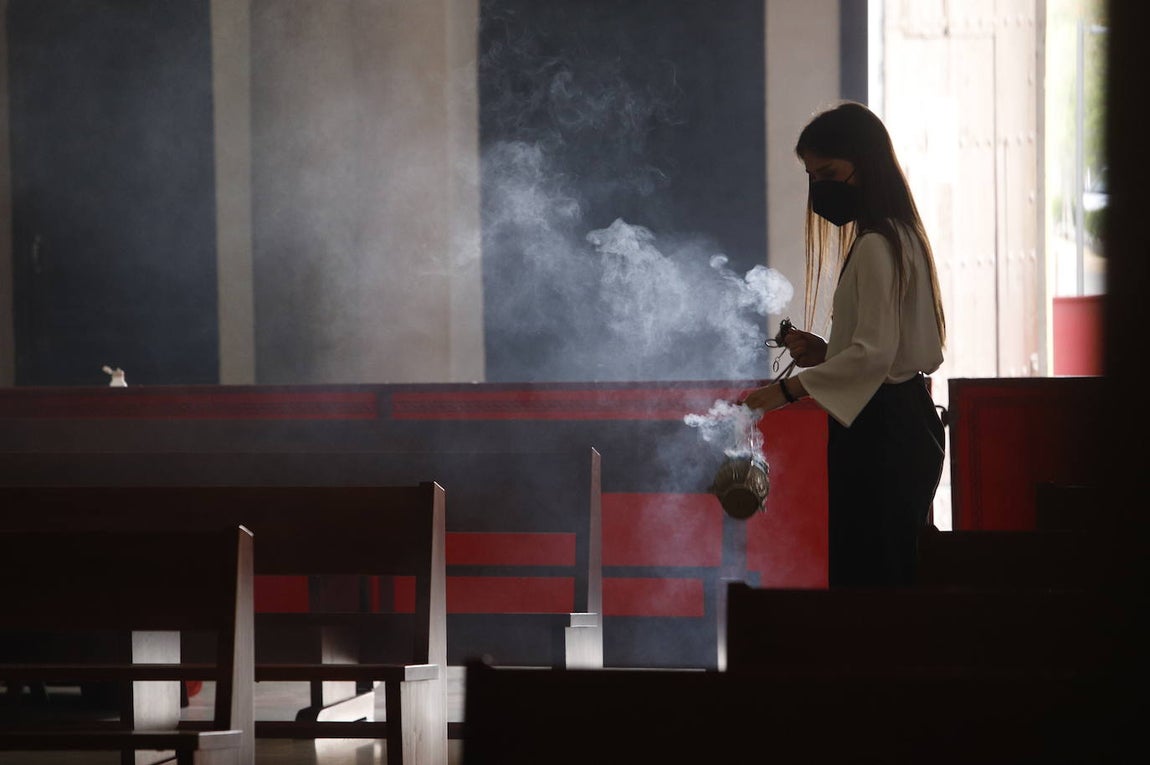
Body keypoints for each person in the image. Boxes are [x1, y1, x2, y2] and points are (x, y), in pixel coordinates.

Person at [738, 101, 947, 588]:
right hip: (904, 420)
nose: (820, 189)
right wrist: (827, 353)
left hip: (884, 431)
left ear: (865, 163)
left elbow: (873, 357)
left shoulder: (877, 244)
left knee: (872, 577)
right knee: (884, 570)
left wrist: (782, 392)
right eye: (813, 177)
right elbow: (883, 351)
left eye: (829, 173)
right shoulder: (900, 234)